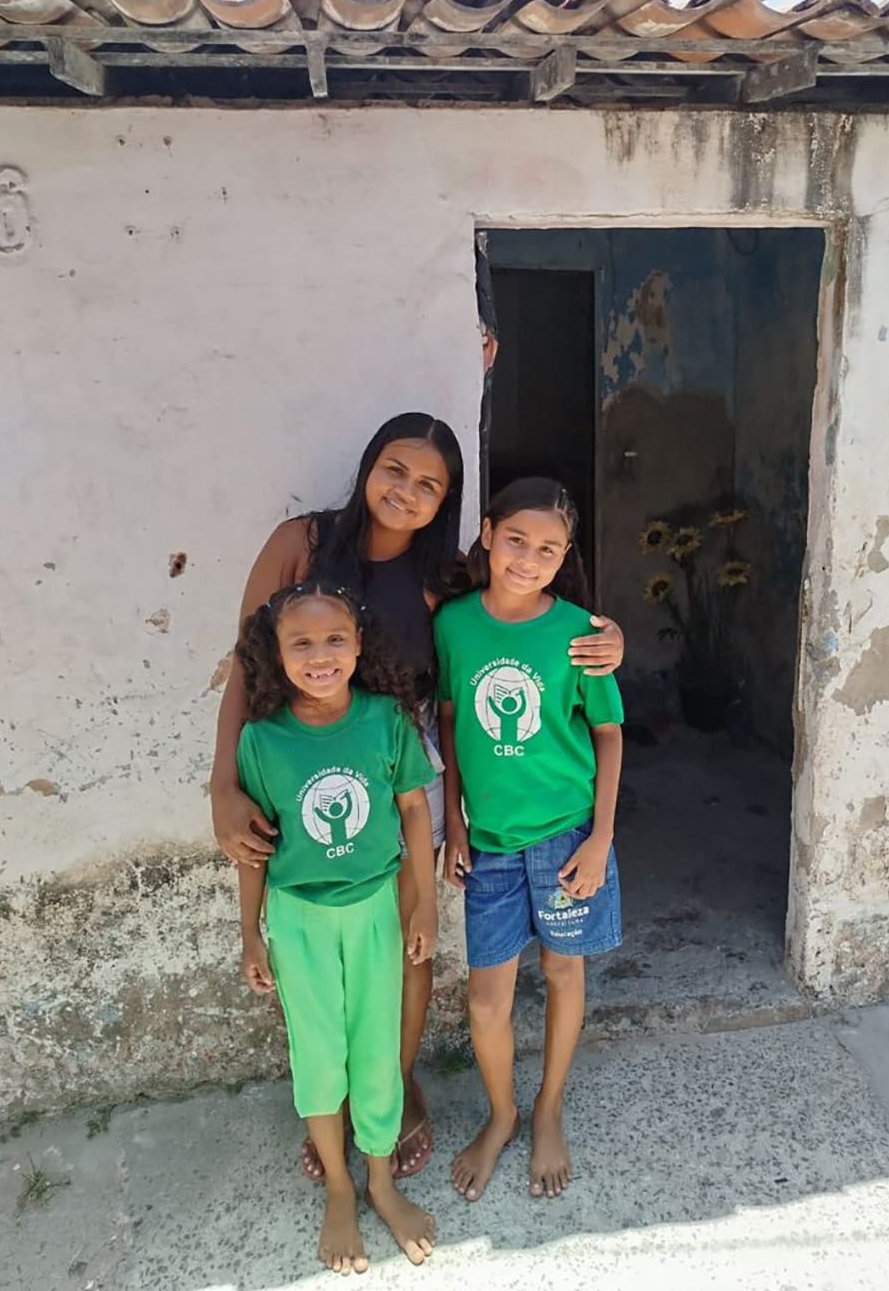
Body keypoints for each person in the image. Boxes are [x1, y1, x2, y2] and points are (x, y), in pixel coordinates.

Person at [211, 411, 625, 1180]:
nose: (408, 491)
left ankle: (393, 1087)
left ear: (451, 502)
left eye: (431, 484)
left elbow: (524, 605)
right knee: (315, 932)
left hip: (404, 771)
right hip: (303, 768)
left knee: (407, 938)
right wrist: (222, 783)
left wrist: (612, 640)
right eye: (396, 469)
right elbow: (245, 662)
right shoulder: (300, 544)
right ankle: (332, 1102)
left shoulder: (445, 578)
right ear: (369, 464)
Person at [234, 577, 438, 1272]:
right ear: (277, 652)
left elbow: (414, 811)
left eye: (334, 639)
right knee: (318, 1055)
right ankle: (342, 1189)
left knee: (377, 1051)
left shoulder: (385, 720)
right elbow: (255, 845)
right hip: (299, 919)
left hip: (377, 909)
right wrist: (250, 932)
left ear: (359, 645)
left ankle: (381, 1181)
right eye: (301, 643)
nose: (319, 655)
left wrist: (427, 903)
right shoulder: (261, 741)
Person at [435, 478, 624, 1204]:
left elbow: (607, 735)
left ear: (565, 556)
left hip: (567, 833)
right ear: (487, 534)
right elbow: (451, 722)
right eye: (516, 540)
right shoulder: (454, 625)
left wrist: (602, 838)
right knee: (487, 1000)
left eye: (548, 549)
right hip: (487, 841)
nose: (528, 558)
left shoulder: (579, 632)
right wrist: (454, 818)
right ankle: (503, 1115)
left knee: (563, 972)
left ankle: (548, 1109)